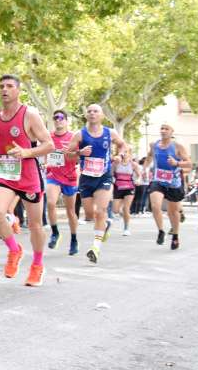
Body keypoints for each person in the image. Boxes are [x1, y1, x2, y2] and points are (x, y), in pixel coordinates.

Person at [0, 75, 54, 287]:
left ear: (18, 91)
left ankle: (37, 265)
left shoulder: (29, 114)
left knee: (35, 225)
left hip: (29, 175)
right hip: (5, 172)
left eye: (9, 86)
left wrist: (26, 152)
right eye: (1, 86)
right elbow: (0, 144)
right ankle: (14, 250)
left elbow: (48, 144)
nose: (4, 89)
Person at [70, 104, 127, 264]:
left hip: (104, 176)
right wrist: (79, 153)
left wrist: (120, 155)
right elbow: (67, 155)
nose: (92, 113)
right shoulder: (79, 134)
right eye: (89, 111)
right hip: (86, 179)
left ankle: (95, 248)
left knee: (100, 210)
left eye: (96, 111)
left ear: (102, 115)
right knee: (90, 215)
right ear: (86, 115)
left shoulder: (110, 133)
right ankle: (107, 223)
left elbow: (122, 145)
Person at [146, 123, 192, 250]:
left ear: (172, 132)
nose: (163, 131)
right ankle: (161, 231)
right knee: (155, 206)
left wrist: (176, 163)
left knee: (173, 212)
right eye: (162, 128)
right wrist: (143, 170)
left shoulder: (177, 147)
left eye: (166, 129)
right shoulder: (154, 145)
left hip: (173, 183)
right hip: (158, 180)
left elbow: (189, 164)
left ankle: (175, 236)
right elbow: (150, 156)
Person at [43, 110, 80, 254]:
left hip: (70, 177)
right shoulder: (48, 137)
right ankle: (55, 232)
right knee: (51, 202)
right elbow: (44, 154)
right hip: (53, 175)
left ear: (66, 120)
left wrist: (69, 154)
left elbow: (78, 158)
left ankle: (74, 239)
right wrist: (45, 163)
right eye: (55, 117)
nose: (58, 120)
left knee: (71, 212)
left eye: (61, 118)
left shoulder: (73, 137)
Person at [112, 147, 140, 236]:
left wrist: (138, 180)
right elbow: (111, 174)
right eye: (123, 152)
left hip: (129, 187)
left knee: (126, 208)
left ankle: (126, 228)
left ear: (130, 153)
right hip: (118, 187)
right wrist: (112, 179)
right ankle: (123, 215)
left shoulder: (133, 164)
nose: (124, 154)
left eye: (126, 152)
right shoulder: (116, 163)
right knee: (115, 210)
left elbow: (139, 175)